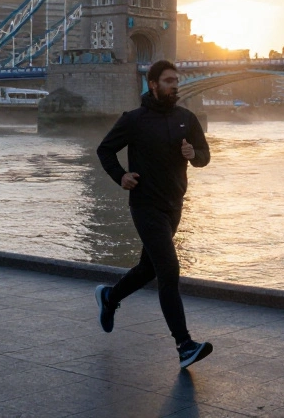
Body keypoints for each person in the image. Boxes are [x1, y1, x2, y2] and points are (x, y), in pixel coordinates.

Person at [94, 59, 214, 368]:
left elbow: (204, 156)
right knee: (168, 269)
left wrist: (194, 155)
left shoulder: (187, 118)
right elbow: (105, 150)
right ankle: (184, 345)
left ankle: (110, 296)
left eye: (177, 80)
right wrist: (120, 176)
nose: (175, 85)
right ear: (153, 84)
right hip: (145, 205)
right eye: (169, 80)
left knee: (148, 268)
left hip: (174, 205)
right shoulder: (134, 120)